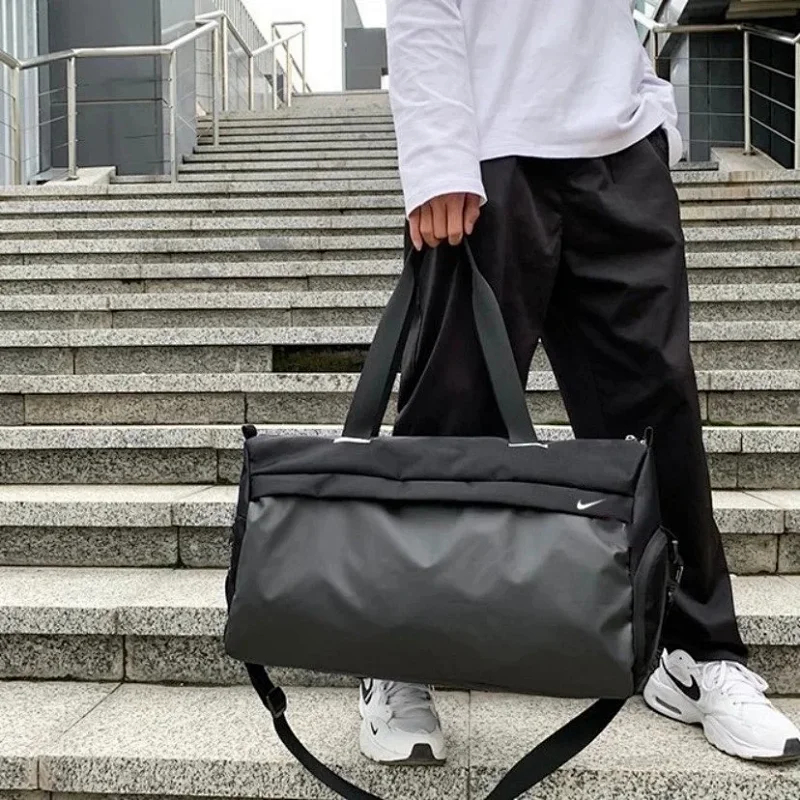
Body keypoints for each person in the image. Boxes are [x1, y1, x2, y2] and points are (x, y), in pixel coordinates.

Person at [357, 0, 800, 767]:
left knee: (659, 409)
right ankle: (396, 655)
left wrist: (655, 121)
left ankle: (692, 650)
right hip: (486, 151)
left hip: (619, 148)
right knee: (451, 409)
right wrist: (437, 155)